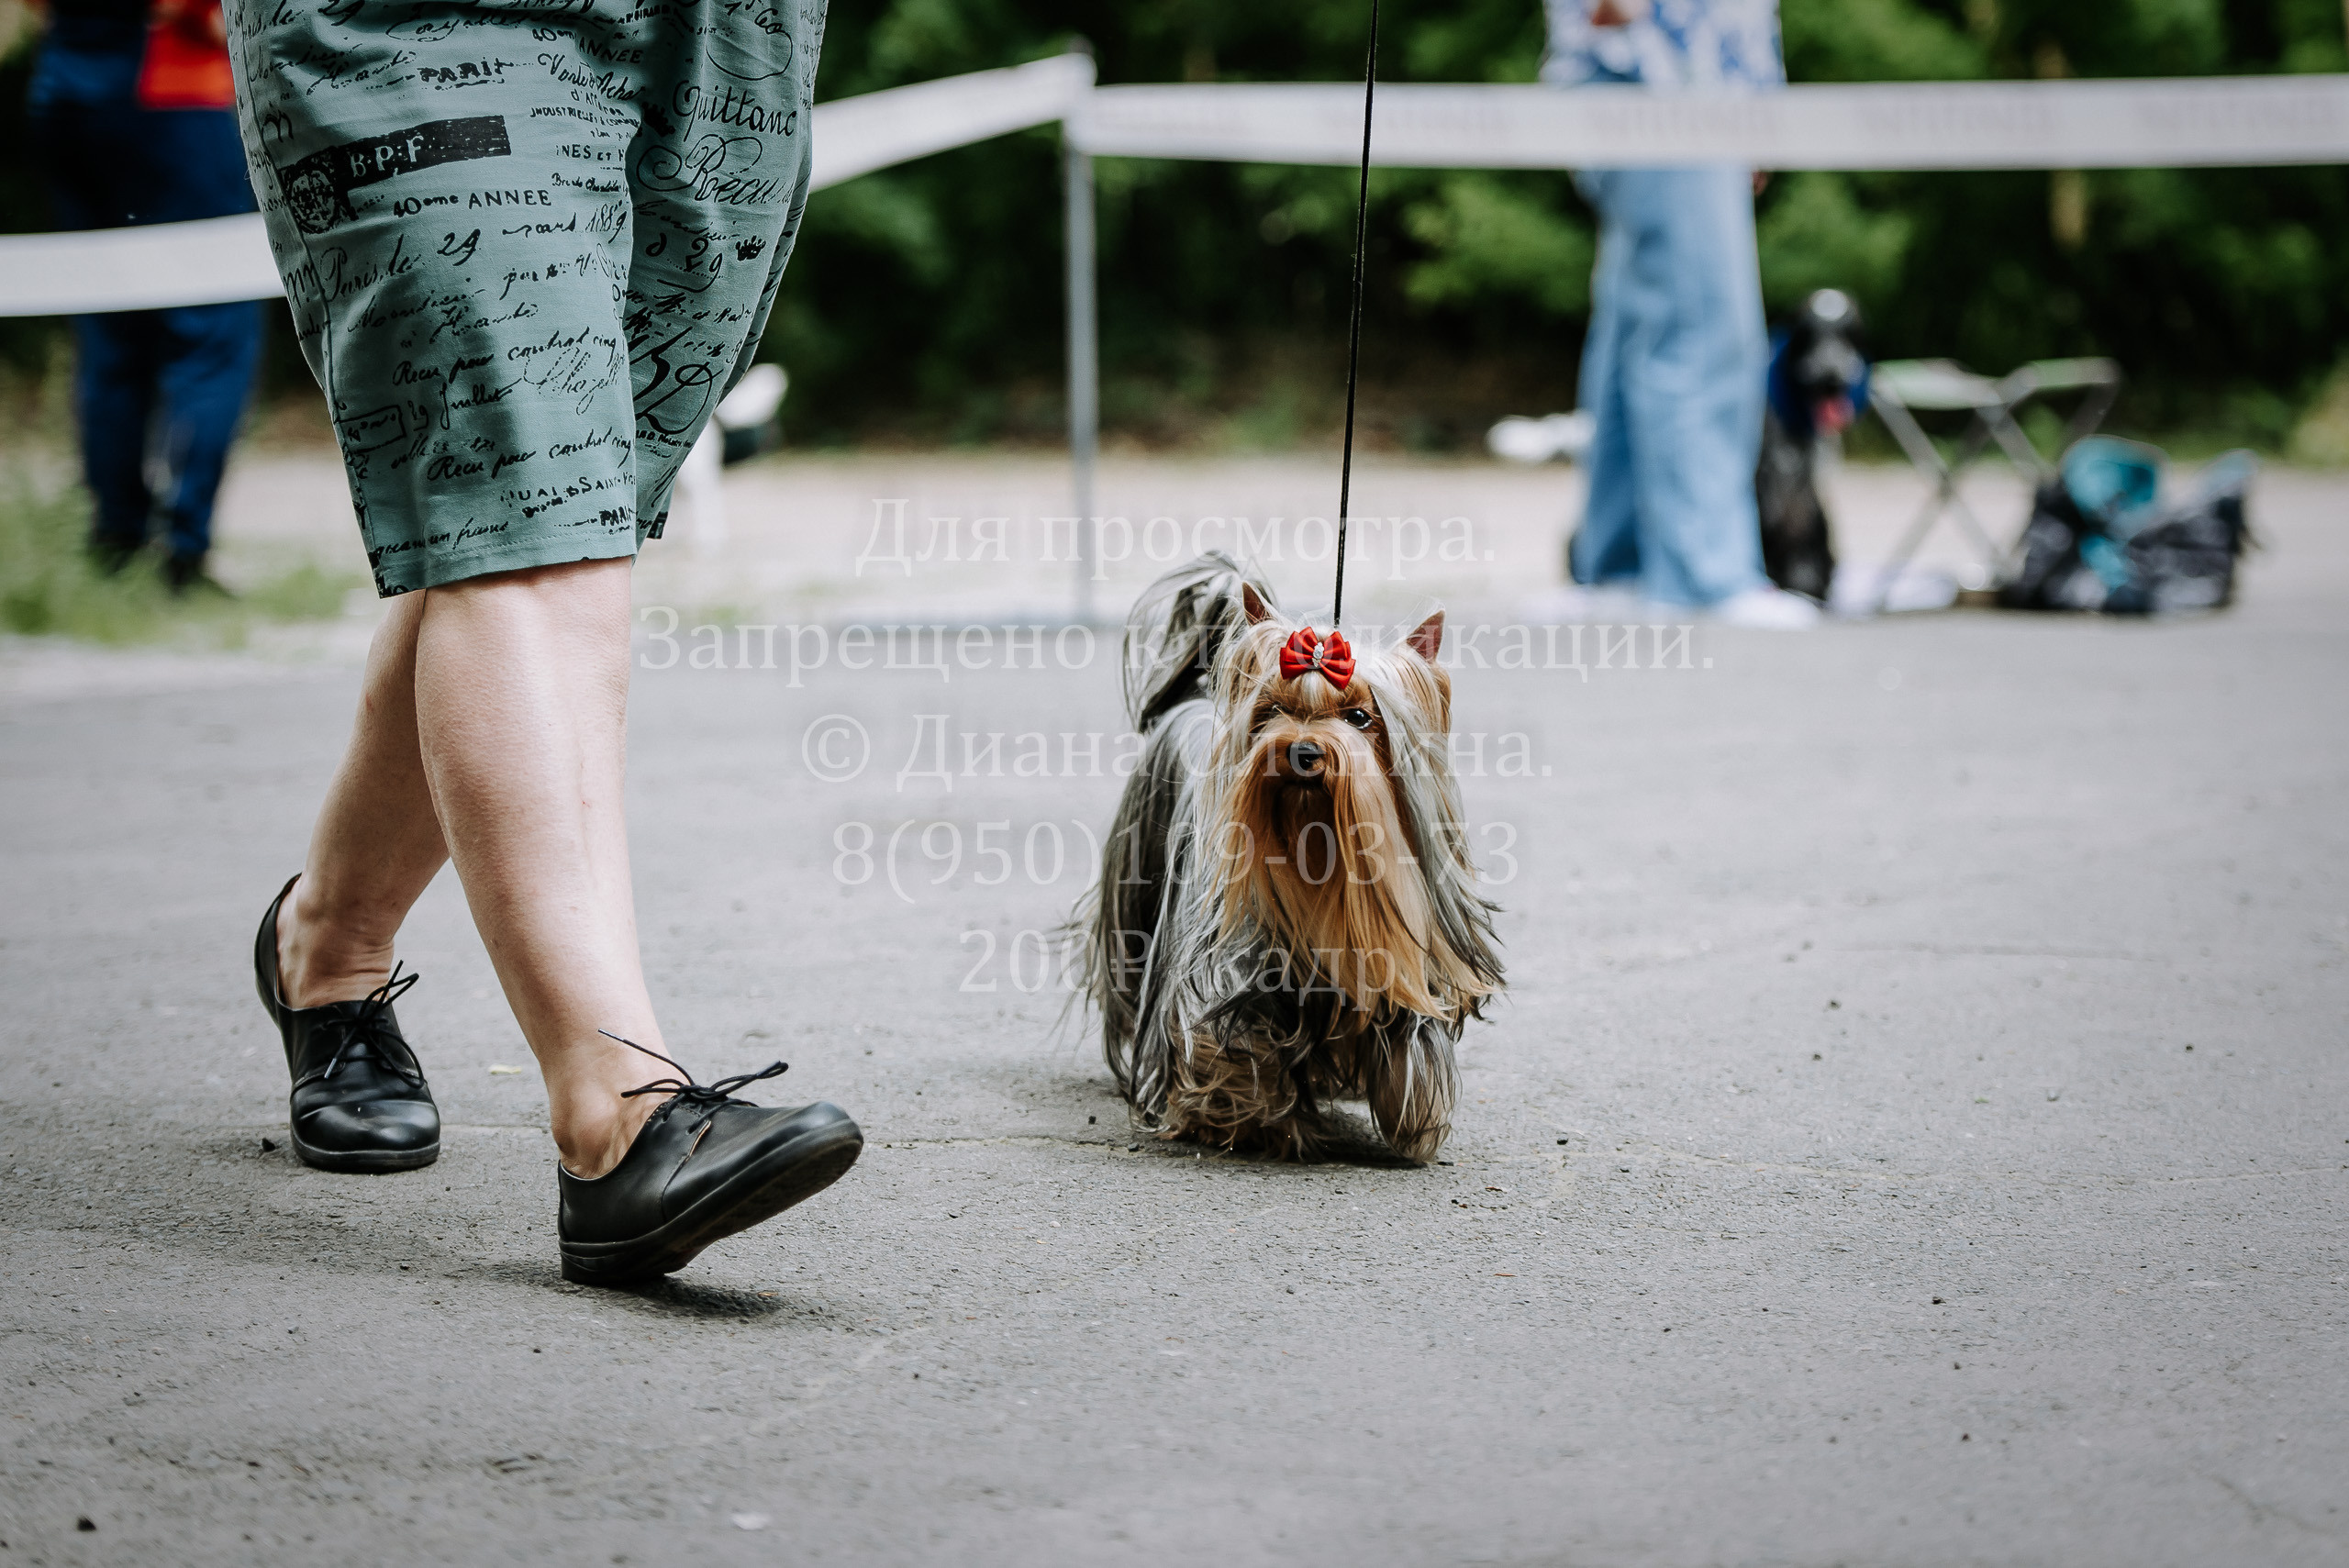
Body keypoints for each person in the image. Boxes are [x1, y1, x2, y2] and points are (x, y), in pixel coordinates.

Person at [224, 0, 861, 1285]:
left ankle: (329, 942)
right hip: (425, 25)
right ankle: (616, 1109)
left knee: (560, 507)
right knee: (536, 510)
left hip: (725, 39)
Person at [1545, 0, 1820, 628]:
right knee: (1701, 330)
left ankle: (1621, 566)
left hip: (1653, 75)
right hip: (1669, 76)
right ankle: (1703, 574)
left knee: (1633, 330)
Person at [26, 0, 262, 591]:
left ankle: (118, 540)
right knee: (214, 334)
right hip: (173, 95)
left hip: (68, 96)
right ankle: (183, 552)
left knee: (111, 332)